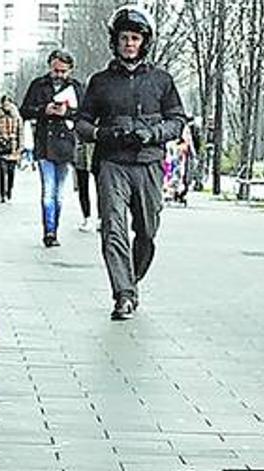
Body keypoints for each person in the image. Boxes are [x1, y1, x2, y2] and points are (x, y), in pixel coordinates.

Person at [75, 6, 186, 319]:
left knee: (147, 231)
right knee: (113, 229)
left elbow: (177, 121)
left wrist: (152, 133)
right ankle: (123, 294)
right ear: (115, 41)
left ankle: (131, 279)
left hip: (149, 163)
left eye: (134, 38)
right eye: (124, 37)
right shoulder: (99, 82)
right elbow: (81, 123)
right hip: (112, 163)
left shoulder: (162, 81)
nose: (128, 43)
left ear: (144, 42)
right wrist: (102, 132)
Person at [20, 49, 86, 247]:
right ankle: (49, 231)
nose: (59, 75)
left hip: (66, 144)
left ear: (70, 70)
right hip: (44, 144)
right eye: (56, 70)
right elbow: (24, 110)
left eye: (63, 71)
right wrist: (44, 110)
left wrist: (68, 112)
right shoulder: (38, 85)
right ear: (50, 66)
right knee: (48, 190)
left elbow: (84, 114)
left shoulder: (76, 87)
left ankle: (54, 227)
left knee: (59, 193)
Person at [0, 96, 22, 203]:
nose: (6, 105)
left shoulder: (17, 117)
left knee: (11, 172)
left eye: (8, 103)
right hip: (0, 147)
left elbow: (20, 133)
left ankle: (9, 191)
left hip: (13, 148)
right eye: (4, 103)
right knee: (2, 171)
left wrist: (21, 147)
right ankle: (2, 194)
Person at [74, 131, 96, 230]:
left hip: (95, 150)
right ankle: (87, 217)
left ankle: (96, 218)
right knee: (83, 187)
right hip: (82, 151)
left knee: (101, 187)